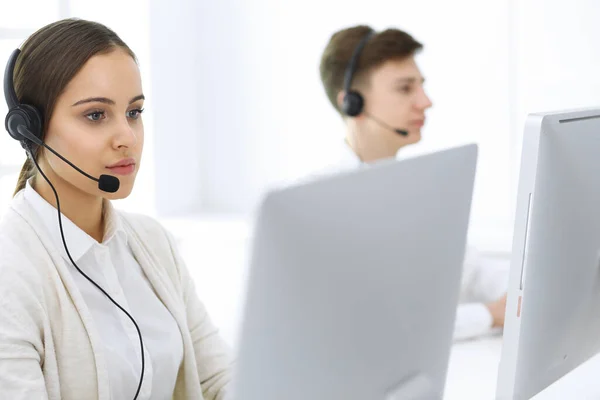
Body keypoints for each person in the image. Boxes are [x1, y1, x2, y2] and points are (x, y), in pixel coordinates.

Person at [0, 19, 232, 400]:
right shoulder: (11, 271)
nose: (127, 137)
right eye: (95, 115)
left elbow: (217, 377)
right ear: (32, 129)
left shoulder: (152, 243)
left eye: (134, 112)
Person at [318, 25, 508, 341]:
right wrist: (489, 315)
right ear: (351, 102)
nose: (425, 101)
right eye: (405, 89)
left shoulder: (420, 189)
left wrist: (526, 290)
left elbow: (471, 270)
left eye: (421, 86)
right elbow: (374, 325)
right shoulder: (325, 204)